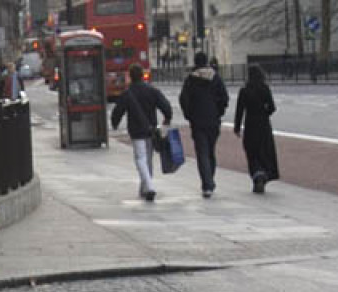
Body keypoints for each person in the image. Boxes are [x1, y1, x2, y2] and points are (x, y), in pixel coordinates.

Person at [111, 62, 173, 202]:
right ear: (142, 76)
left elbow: (118, 111)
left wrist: (115, 123)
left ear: (131, 77)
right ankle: (144, 187)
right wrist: (167, 118)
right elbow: (165, 105)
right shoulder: (152, 90)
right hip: (150, 129)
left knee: (140, 159)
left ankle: (149, 187)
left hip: (136, 130)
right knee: (148, 159)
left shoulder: (128, 93)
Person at [179, 50, 229, 198]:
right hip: (213, 119)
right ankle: (210, 179)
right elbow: (224, 98)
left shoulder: (190, 80)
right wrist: (218, 111)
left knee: (202, 153)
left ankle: (207, 184)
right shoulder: (216, 78)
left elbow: (183, 99)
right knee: (210, 151)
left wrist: (189, 115)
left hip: (197, 120)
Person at [233, 64, 280, 193]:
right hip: (263, 124)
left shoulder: (244, 90)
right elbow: (272, 107)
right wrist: (265, 112)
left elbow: (239, 111)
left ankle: (256, 173)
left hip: (250, 124)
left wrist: (237, 127)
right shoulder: (264, 88)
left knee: (251, 152)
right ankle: (264, 174)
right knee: (264, 151)